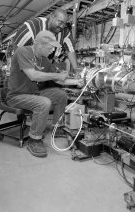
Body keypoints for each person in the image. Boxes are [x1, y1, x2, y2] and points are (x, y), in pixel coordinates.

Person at [6, 30, 83, 158]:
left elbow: (58, 79)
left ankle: (56, 127)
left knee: (61, 95)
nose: (52, 51)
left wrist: (77, 81)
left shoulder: (44, 60)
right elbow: (33, 75)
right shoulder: (23, 52)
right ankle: (34, 139)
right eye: (51, 47)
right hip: (16, 96)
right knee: (44, 103)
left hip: (34, 93)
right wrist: (58, 74)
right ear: (40, 44)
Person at [13, 8, 78, 71]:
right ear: (52, 17)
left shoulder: (64, 31)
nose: (62, 26)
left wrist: (77, 71)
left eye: (64, 24)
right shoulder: (32, 27)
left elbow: (70, 51)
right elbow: (17, 48)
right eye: (60, 22)